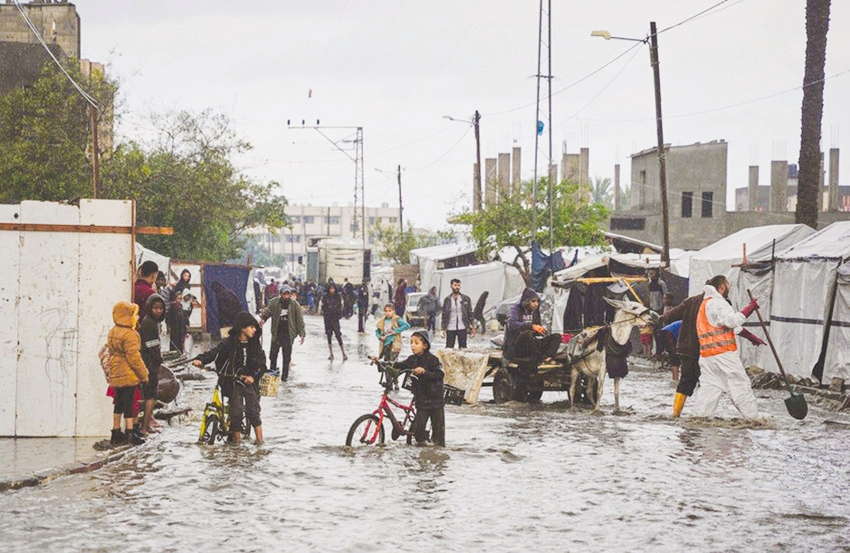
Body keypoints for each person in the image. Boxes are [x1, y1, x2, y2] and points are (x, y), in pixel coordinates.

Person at [692, 275, 766, 419]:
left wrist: (751, 337)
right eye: (728, 286)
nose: (729, 289)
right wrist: (750, 308)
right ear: (722, 286)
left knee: (710, 389)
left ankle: (700, 418)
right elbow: (732, 321)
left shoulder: (705, 304)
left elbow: (727, 328)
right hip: (724, 355)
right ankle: (753, 418)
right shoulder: (718, 303)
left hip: (708, 357)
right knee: (740, 384)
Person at [192, 312, 265, 444]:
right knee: (235, 412)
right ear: (242, 327)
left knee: (253, 411)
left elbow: (262, 364)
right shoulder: (229, 343)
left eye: (255, 327)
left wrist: (253, 377)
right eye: (251, 327)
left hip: (250, 382)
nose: (254, 330)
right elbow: (214, 352)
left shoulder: (255, 344)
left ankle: (260, 441)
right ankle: (236, 444)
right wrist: (200, 359)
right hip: (233, 381)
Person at [106, 301, 149, 445]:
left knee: (118, 402)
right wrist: (144, 374)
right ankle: (130, 432)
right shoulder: (130, 334)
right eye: (135, 315)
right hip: (128, 373)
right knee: (129, 403)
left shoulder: (113, 331)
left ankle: (116, 431)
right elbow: (134, 358)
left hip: (116, 371)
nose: (137, 318)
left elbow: (111, 351)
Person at [658, 290, 706, 417]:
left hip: (686, 348)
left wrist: (660, 318)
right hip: (704, 350)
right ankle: (701, 414)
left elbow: (670, 316)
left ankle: (676, 414)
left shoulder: (690, 302)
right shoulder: (716, 303)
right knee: (706, 381)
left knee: (685, 380)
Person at [393, 330, 445, 446]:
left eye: (416, 343)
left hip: (435, 399)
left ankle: (438, 455)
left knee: (438, 433)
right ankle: (423, 451)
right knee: (418, 432)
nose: (412, 345)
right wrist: (381, 362)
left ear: (425, 346)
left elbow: (440, 375)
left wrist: (424, 371)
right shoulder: (412, 359)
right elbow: (399, 365)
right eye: (411, 342)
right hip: (421, 399)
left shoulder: (433, 360)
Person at [502, 288, 561, 363]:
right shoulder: (516, 310)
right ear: (526, 302)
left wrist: (541, 330)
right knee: (527, 334)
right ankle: (538, 357)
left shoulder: (535, 312)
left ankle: (547, 357)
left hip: (530, 343)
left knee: (556, 337)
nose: (536, 304)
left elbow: (536, 328)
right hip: (515, 345)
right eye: (533, 301)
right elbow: (511, 324)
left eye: (537, 301)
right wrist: (531, 326)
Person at [260, 284, 306, 381]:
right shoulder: (275, 303)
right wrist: (263, 318)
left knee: (286, 357)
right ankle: (272, 376)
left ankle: (284, 377)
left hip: (288, 335)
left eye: (287, 294)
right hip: (277, 333)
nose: (285, 296)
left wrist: (302, 334)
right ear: (280, 294)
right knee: (273, 356)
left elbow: (299, 321)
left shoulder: (295, 305)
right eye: (284, 294)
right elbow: (268, 311)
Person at [139, 293, 166, 436]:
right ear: (150, 308)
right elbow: (152, 346)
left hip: (149, 363)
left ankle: (147, 423)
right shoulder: (149, 323)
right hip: (149, 364)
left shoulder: (151, 322)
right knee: (151, 396)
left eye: (161, 308)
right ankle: (144, 427)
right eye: (155, 308)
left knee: (151, 395)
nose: (158, 311)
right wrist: (159, 360)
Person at [440, 278, 475, 348]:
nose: (457, 287)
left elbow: (470, 313)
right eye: (455, 285)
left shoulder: (465, 299)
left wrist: (473, 327)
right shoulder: (447, 300)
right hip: (450, 327)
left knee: (463, 348)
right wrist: (442, 329)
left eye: (458, 285)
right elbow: (444, 315)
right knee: (449, 349)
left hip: (462, 327)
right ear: (451, 286)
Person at [321, 282, 347, 361]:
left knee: (338, 335)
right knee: (329, 335)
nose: (332, 290)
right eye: (330, 288)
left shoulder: (338, 296)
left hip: (335, 318)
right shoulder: (325, 297)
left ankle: (343, 353)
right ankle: (331, 353)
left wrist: (338, 314)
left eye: (333, 288)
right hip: (328, 318)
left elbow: (340, 307)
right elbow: (323, 306)